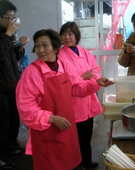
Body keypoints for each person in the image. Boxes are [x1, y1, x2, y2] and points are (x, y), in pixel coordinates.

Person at [16, 29, 114, 170]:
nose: (40, 50)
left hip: (67, 127)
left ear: (56, 48)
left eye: (45, 45)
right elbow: (26, 109)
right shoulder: (32, 73)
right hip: (46, 132)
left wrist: (96, 83)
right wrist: (51, 118)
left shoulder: (63, 66)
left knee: (71, 162)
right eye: (37, 46)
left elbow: (77, 88)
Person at [58, 21, 102, 168]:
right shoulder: (60, 56)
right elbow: (65, 79)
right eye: (64, 34)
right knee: (75, 139)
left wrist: (91, 77)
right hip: (74, 103)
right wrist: (82, 77)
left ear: (77, 35)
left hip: (89, 100)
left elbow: (95, 69)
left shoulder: (84, 51)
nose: (67, 37)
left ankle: (87, 162)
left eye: (70, 34)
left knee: (87, 135)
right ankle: (76, 164)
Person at [0, 1, 28, 169]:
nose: (11, 21)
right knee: (1, 125)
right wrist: (8, 34)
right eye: (8, 18)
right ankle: (1, 156)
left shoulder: (7, 35)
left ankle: (11, 148)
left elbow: (12, 60)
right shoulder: (5, 35)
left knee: (12, 122)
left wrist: (20, 49)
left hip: (11, 86)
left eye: (13, 17)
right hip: (1, 89)